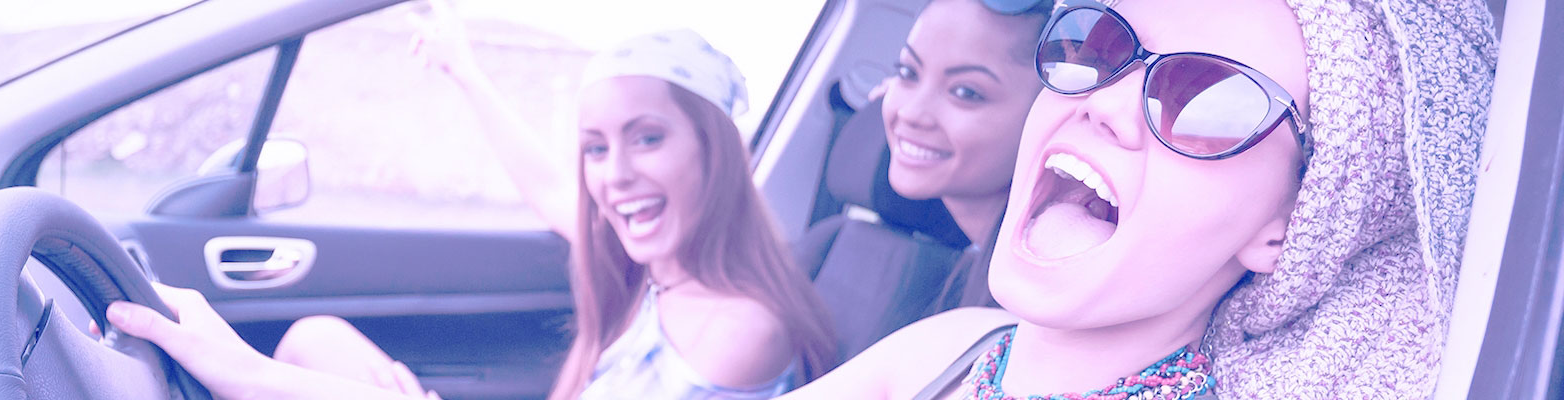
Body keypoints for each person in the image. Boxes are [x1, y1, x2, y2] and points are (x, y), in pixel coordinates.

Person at [104, 2, 840, 399]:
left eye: (647, 139)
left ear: (716, 152)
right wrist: (465, 70)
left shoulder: (741, 328)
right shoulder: (663, 276)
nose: (613, 175)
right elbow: (550, 188)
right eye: (596, 148)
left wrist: (249, 372)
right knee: (316, 339)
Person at [775, 0, 1497, 397]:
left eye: (1208, 99)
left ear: (1294, 224)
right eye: (1097, 45)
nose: (1107, 102)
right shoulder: (954, 345)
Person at [867, 0, 1053, 315]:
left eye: (966, 92)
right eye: (908, 73)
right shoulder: (967, 271)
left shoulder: (1035, 304)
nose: (911, 113)